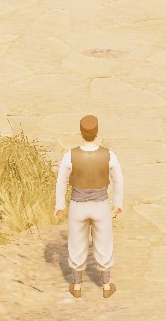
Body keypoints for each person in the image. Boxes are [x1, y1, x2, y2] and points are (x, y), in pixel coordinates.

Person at [53, 115, 124, 298]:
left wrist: (60, 205)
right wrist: (117, 203)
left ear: (80, 132)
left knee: (76, 244)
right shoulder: (109, 155)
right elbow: (118, 180)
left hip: (78, 205)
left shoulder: (70, 155)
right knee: (104, 244)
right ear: (97, 132)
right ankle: (106, 286)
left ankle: (77, 287)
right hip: (100, 205)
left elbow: (61, 181)